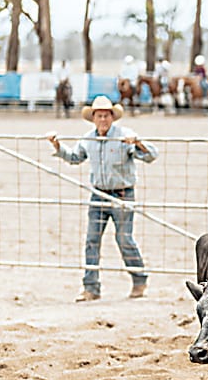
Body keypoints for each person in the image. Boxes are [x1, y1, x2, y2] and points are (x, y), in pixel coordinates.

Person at [46, 95, 159, 302]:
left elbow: (152, 155)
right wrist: (57, 146)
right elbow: (74, 158)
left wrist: (139, 143)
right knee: (92, 240)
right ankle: (91, 287)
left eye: (106, 116)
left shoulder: (125, 136)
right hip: (98, 194)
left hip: (123, 194)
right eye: (99, 116)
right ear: (94, 118)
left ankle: (139, 279)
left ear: (112, 117)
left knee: (124, 238)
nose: (103, 120)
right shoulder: (88, 138)